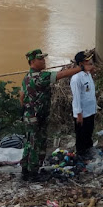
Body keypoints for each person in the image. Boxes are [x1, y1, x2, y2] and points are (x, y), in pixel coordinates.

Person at [19, 48, 91, 181]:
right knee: (37, 144)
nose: (44, 61)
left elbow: (22, 96)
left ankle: (26, 170)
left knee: (30, 142)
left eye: (43, 58)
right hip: (36, 117)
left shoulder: (27, 77)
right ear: (32, 62)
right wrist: (81, 69)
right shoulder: (41, 77)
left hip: (29, 116)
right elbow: (61, 75)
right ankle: (33, 173)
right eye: (40, 59)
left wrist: (25, 108)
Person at [70, 51, 97, 160]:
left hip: (90, 110)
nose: (90, 63)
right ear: (81, 64)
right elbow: (76, 97)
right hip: (82, 112)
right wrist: (79, 113)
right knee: (81, 134)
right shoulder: (76, 78)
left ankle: (89, 149)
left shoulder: (88, 74)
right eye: (88, 62)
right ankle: (81, 154)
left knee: (89, 131)